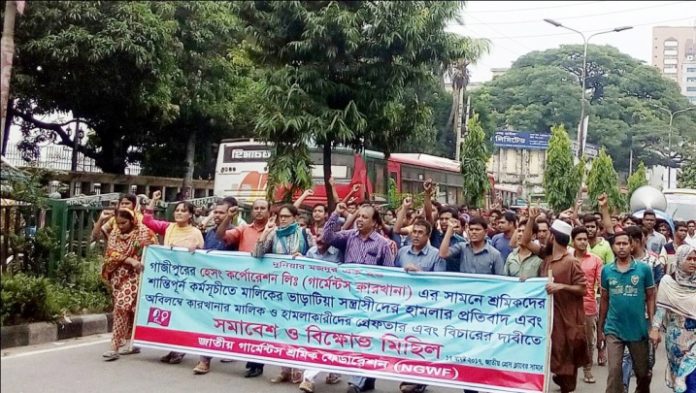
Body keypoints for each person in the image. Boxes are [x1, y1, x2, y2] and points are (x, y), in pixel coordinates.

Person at [321, 203, 394, 393]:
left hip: (371, 300)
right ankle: (364, 379)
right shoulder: (348, 237)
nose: (360, 220)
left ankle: (358, 381)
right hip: (349, 298)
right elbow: (327, 237)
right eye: (358, 216)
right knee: (353, 338)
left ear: (375, 222)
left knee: (367, 339)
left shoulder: (382, 244)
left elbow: (390, 275)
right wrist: (336, 213)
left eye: (365, 217)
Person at [525, 208, 588, 393]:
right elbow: (525, 241)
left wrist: (561, 287)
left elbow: (582, 289)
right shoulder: (546, 255)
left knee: (567, 357)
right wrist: (531, 219)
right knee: (554, 355)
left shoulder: (571, 261)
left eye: (548, 233)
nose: (544, 237)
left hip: (568, 319)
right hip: (549, 317)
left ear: (554, 236)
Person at [142, 191, 205, 365]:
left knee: (182, 315)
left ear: (191, 215)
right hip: (168, 279)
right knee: (170, 315)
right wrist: (154, 200)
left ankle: (180, 350)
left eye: (183, 211)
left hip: (186, 281)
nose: (179, 213)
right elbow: (147, 221)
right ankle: (172, 348)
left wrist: (195, 247)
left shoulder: (195, 233)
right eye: (177, 210)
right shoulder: (168, 227)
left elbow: (201, 255)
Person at [252, 204, 310, 384]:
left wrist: (303, 257)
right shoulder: (274, 233)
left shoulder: (304, 234)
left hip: (300, 290)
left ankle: (299, 369)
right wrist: (265, 232)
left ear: (294, 217)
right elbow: (257, 254)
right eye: (280, 216)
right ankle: (284, 369)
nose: (282, 219)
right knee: (281, 329)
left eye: (286, 216)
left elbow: (316, 257)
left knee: (298, 331)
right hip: (278, 290)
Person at [216, 198, 270, 378]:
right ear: (251, 211)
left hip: (265, 286)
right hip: (243, 285)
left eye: (263, 208)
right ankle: (247, 358)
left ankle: (257, 364)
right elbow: (221, 236)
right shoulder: (243, 229)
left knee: (260, 326)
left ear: (268, 211)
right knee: (244, 323)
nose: (259, 211)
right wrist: (227, 218)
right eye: (256, 208)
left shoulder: (273, 230)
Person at [598, 231, 657, 393]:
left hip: (638, 329)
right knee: (614, 372)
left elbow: (651, 296)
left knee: (642, 373)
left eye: (625, 243)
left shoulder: (644, 269)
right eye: (618, 244)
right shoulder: (606, 271)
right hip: (613, 328)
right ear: (613, 247)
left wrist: (653, 325)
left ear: (632, 246)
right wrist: (600, 328)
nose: (622, 247)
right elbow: (604, 299)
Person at [100, 208, 157, 361]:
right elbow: (111, 253)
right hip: (118, 275)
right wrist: (129, 260)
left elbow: (153, 249)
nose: (121, 226)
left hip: (136, 275)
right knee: (129, 309)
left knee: (121, 306)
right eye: (118, 223)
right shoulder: (115, 234)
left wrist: (137, 260)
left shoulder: (144, 232)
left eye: (124, 223)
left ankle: (114, 346)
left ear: (132, 220)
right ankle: (133, 343)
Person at [395, 217, 445, 393]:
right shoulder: (402, 252)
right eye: (413, 232)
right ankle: (409, 376)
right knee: (406, 343)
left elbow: (440, 282)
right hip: (404, 306)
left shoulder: (436, 254)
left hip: (425, 308)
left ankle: (419, 380)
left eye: (419, 233)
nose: (415, 236)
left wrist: (420, 273)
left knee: (422, 345)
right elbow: (391, 276)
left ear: (428, 236)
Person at [192, 199, 238, 375]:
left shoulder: (235, 232)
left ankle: (225, 349)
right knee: (208, 321)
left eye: (221, 212)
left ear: (230, 213)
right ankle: (205, 359)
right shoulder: (208, 233)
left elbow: (223, 237)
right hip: (209, 285)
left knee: (225, 321)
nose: (217, 215)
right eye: (215, 212)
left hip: (229, 286)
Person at [649, 244, 696, 393]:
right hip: (676, 338)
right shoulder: (668, 282)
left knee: (691, 377)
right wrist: (655, 329)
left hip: (695, 336)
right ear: (680, 259)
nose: (693, 262)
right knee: (679, 380)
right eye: (689, 259)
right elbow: (661, 309)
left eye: (695, 259)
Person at [570, 226, 604, 384]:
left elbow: (602, 285)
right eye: (579, 239)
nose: (583, 242)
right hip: (568, 307)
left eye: (585, 239)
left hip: (588, 306)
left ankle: (588, 369)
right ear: (573, 241)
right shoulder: (567, 259)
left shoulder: (596, 260)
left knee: (588, 340)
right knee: (568, 340)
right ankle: (569, 373)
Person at [439, 216, 505, 275]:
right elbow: (443, 254)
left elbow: (500, 279)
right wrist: (450, 229)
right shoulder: (462, 247)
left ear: (486, 232)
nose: (473, 232)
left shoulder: (495, 255)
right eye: (471, 229)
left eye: (477, 229)